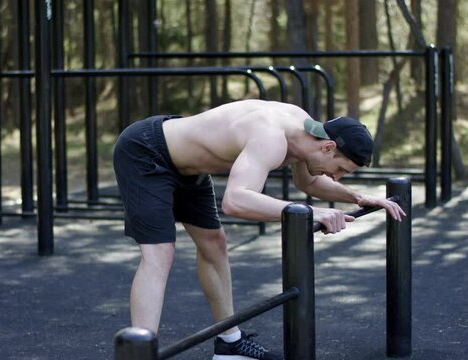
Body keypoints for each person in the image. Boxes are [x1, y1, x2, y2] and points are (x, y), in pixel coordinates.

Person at [113, 99, 406, 360]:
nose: (336, 175)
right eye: (340, 169)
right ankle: (141, 351)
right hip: (146, 152)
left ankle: (229, 344)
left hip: (189, 168)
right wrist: (313, 212)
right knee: (160, 254)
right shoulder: (271, 137)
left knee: (215, 244)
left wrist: (356, 197)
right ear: (328, 146)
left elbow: (310, 183)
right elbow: (236, 201)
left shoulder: (304, 133)